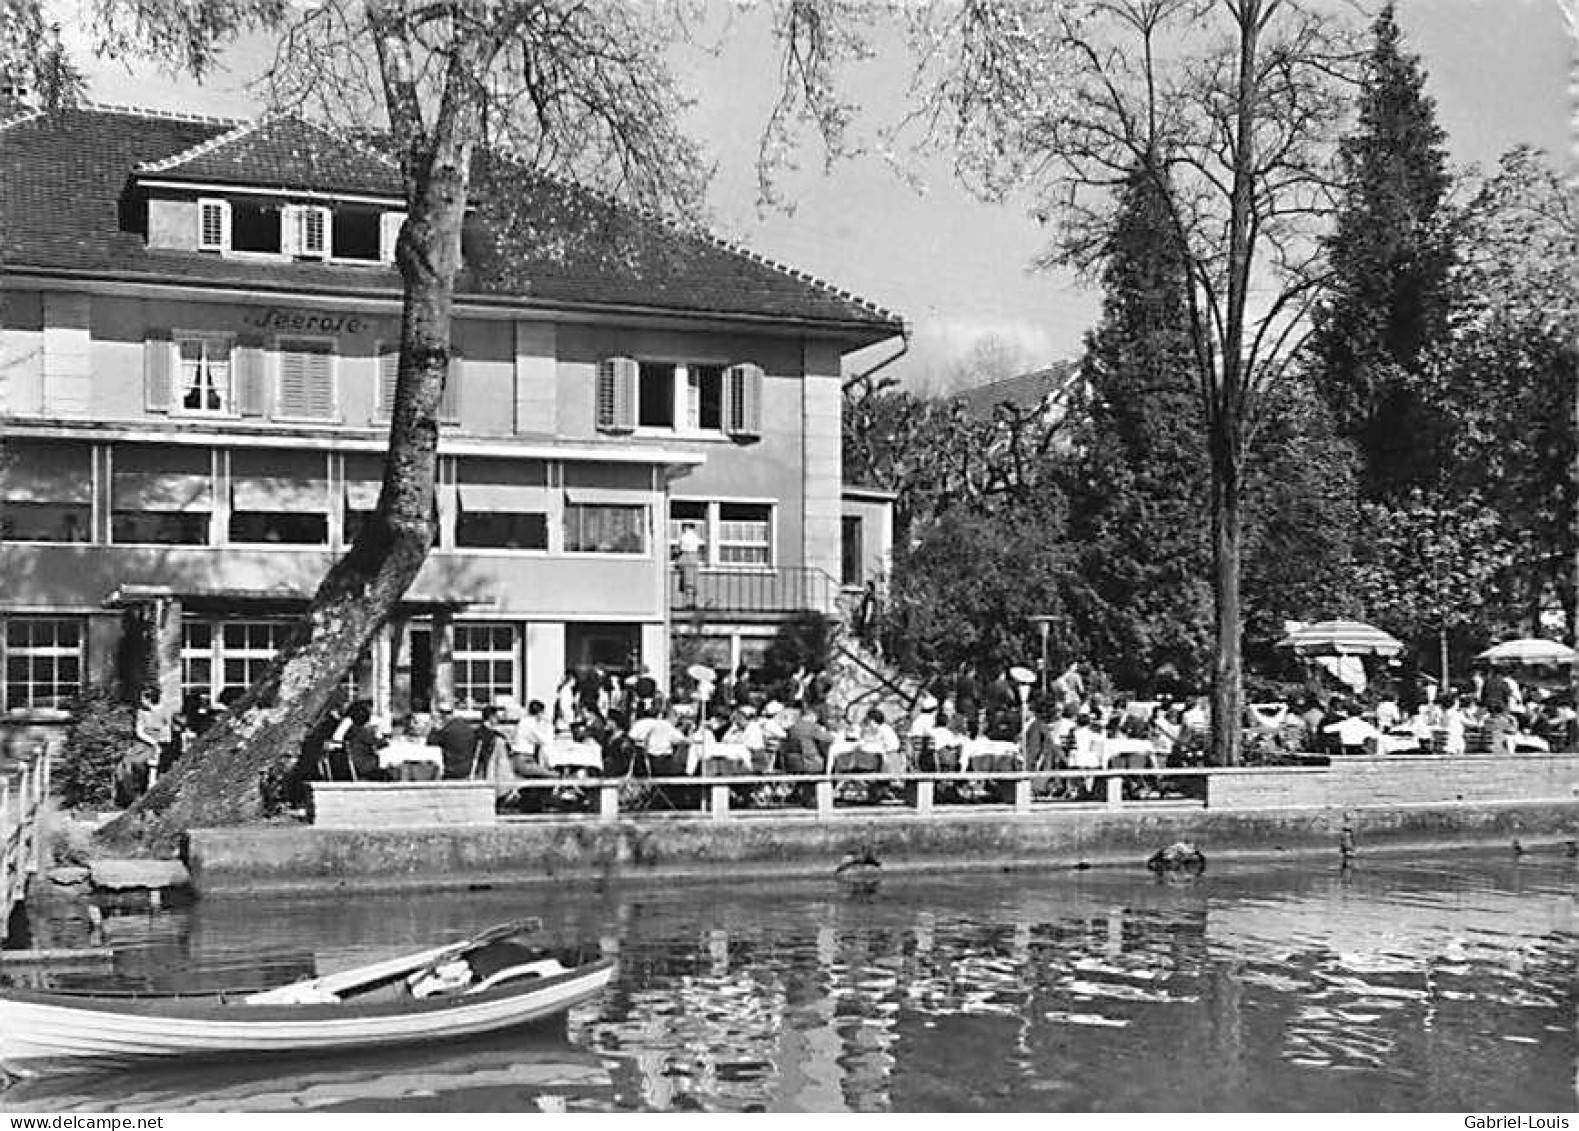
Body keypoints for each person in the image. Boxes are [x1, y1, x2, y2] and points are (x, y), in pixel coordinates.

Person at [428, 701, 478, 780]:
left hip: (451, 770)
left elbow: (430, 744)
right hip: (468, 769)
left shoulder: (447, 731)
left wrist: (434, 727)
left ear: (442, 715)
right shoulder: (467, 727)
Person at [784, 704, 834, 774]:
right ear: (812, 715)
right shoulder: (812, 727)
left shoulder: (793, 727)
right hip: (810, 760)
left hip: (791, 761)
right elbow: (829, 739)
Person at [676, 522, 703, 600]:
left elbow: (681, 548)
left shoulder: (684, 536)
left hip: (687, 557)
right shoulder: (695, 536)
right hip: (694, 558)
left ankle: (686, 601)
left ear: (686, 527)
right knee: (694, 581)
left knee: (686, 581)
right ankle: (694, 601)